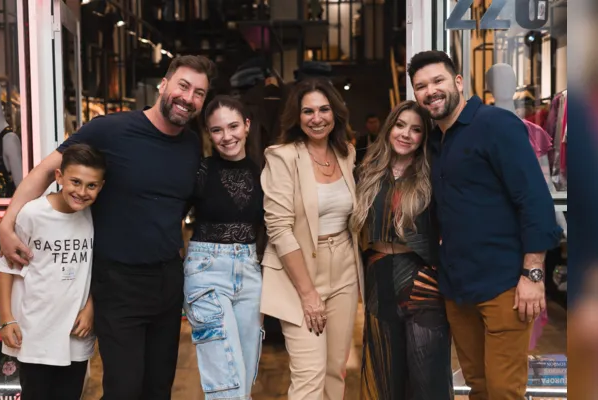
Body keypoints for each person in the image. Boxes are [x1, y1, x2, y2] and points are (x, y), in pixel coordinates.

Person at [0, 55, 216, 399]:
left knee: (158, 388)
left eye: (199, 93)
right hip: (118, 282)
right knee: (124, 388)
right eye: (183, 86)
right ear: (165, 84)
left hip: (167, 282)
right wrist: (7, 224)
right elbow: (44, 171)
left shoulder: (191, 145)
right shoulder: (110, 129)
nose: (188, 98)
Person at [407, 50, 562, 400]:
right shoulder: (435, 141)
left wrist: (533, 274)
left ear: (458, 82)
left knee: (504, 391)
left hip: (504, 286)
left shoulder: (496, 125)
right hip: (457, 288)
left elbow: (534, 201)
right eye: (421, 86)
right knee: (477, 387)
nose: (430, 91)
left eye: (438, 81)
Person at [260, 78, 363, 400]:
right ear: (297, 116)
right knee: (309, 375)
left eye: (323, 109)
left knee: (335, 371)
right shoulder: (282, 156)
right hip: (298, 273)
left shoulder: (346, 153)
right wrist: (308, 294)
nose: (317, 118)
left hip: (344, 268)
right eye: (308, 111)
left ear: (336, 113)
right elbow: (278, 228)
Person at [350, 100, 453, 399]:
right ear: (389, 127)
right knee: (384, 376)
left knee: (426, 377)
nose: (406, 134)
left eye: (416, 129)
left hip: (422, 281)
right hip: (378, 279)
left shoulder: (433, 174)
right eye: (400, 125)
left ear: (424, 136)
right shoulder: (366, 172)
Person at [0, 144, 105, 400]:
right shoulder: (32, 214)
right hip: (35, 332)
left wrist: (90, 307)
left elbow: (94, 269)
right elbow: (4, 267)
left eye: (91, 185)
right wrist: (7, 318)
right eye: (75, 182)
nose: (81, 192)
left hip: (75, 335)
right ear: (58, 177)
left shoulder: (93, 217)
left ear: (101, 186)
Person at [183, 95, 265, 399]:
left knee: (242, 378)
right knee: (225, 382)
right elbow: (169, 216)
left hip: (250, 272)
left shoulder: (263, 172)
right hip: (206, 272)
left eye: (233, 126)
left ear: (246, 126)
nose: (227, 136)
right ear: (208, 133)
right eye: (217, 130)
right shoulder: (200, 172)